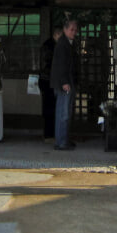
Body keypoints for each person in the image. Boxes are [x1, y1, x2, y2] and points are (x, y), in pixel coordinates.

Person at [50, 18, 79, 151]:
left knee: (66, 112)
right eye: (72, 29)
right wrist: (64, 82)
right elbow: (61, 65)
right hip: (64, 83)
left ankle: (64, 139)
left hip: (67, 82)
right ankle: (61, 141)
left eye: (75, 29)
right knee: (63, 113)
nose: (74, 32)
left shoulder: (67, 43)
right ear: (65, 30)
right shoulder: (63, 44)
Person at [37, 27, 62, 142]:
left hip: (47, 79)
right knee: (49, 107)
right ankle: (49, 134)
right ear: (57, 35)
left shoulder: (49, 45)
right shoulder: (50, 47)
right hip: (48, 80)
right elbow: (48, 64)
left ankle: (50, 134)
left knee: (50, 107)